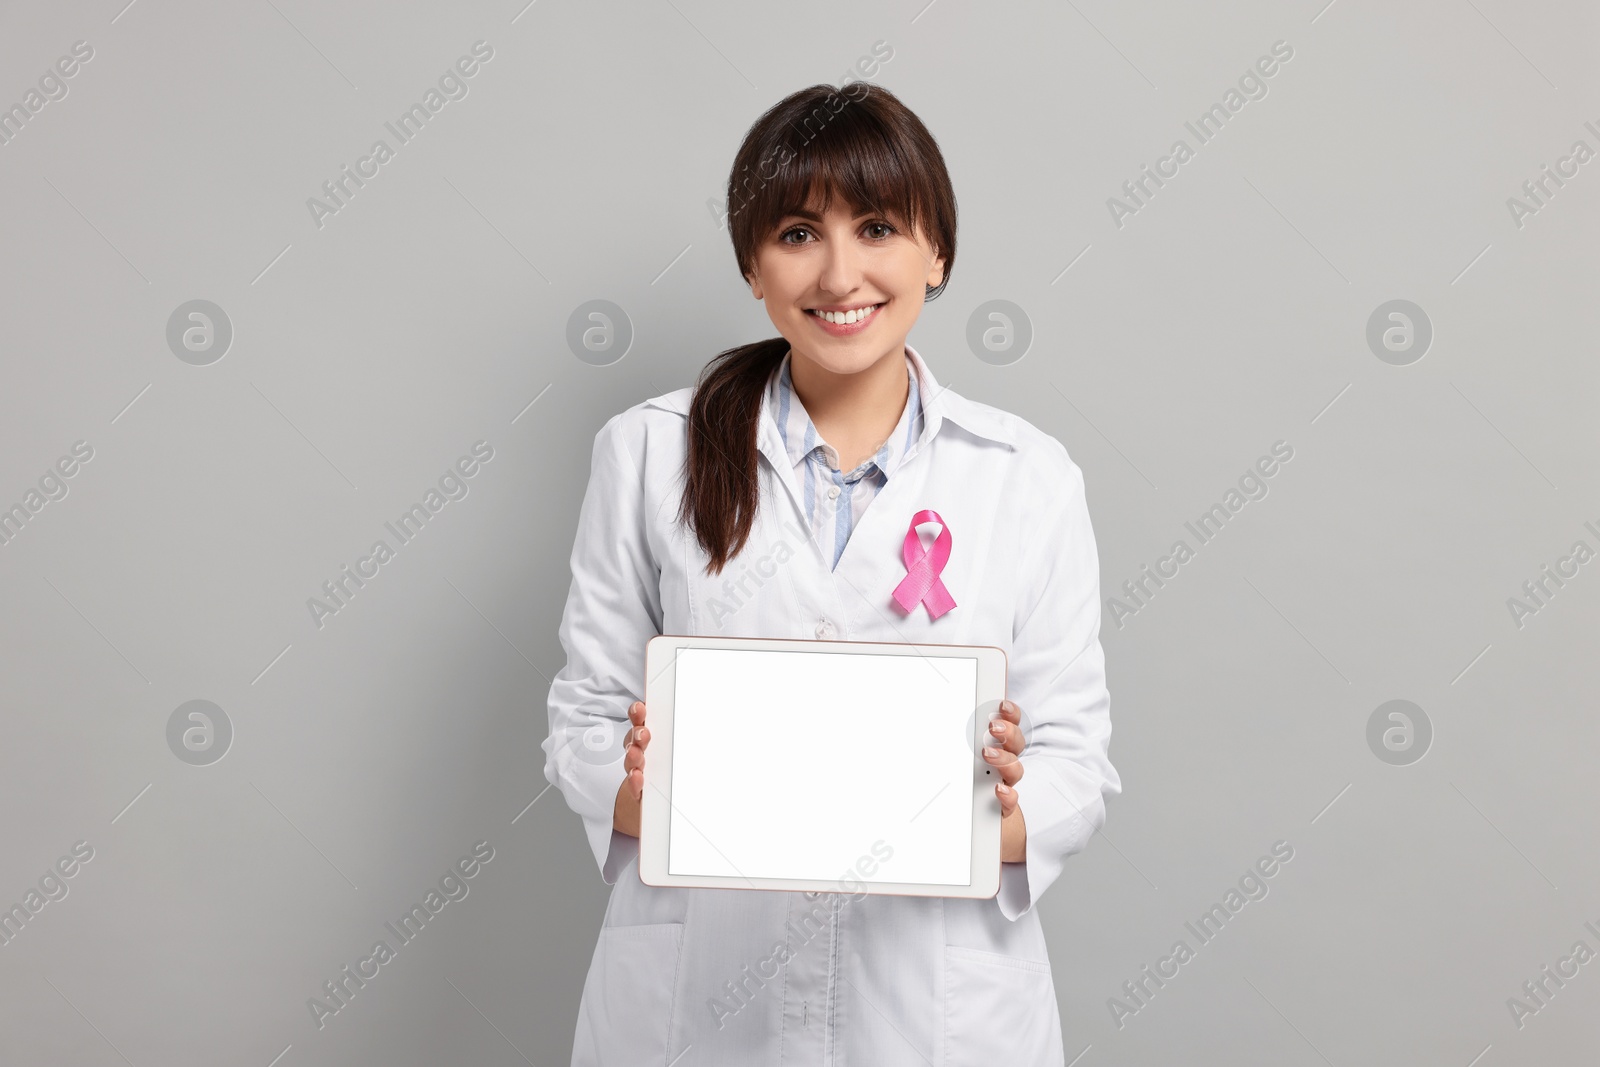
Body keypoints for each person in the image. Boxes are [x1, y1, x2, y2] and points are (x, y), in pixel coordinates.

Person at [543, 81, 1121, 1066]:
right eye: (800, 232)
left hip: (935, 1015)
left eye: (879, 226)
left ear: (936, 251)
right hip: (702, 1008)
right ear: (751, 263)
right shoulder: (645, 455)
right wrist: (650, 787)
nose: (840, 271)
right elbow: (585, 719)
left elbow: (1075, 757)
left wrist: (998, 800)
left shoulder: (1024, 477)